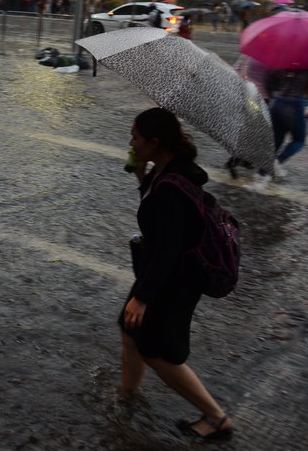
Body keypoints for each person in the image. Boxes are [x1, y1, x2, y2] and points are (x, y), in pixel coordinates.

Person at [120, 108, 234, 441]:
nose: (131, 142)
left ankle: (216, 417)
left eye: (135, 137)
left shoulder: (172, 185)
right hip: (164, 273)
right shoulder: (167, 171)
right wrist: (142, 175)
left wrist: (142, 298)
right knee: (129, 329)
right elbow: (156, 219)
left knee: (157, 350)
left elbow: (168, 247)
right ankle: (127, 394)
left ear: (155, 142)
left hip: (174, 279)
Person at [246, 68, 308, 189]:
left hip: (278, 101)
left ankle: (262, 173)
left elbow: (269, 77)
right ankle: (277, 162)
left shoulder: (286, 57)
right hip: (296, 104)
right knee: (299, 140)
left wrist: (272, 96)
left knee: (276, 140)